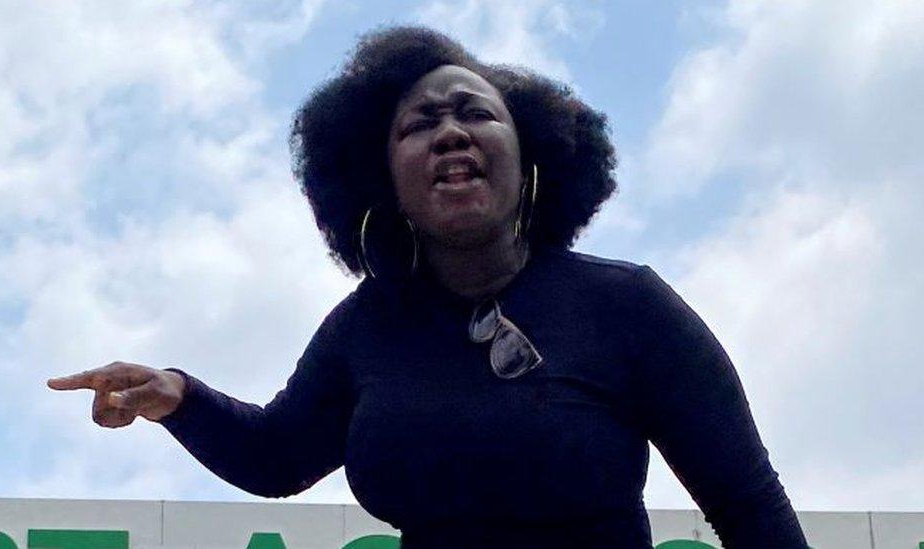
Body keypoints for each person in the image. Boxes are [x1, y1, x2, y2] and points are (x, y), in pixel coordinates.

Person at [48, 26, 808, 548]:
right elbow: (279, 456)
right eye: (420, 124)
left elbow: (749, 506)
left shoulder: (629, 307)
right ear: (384, 183)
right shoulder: (365, 329)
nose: (451, 132)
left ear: (530, 156)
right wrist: (177, 394)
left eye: (476, 113)